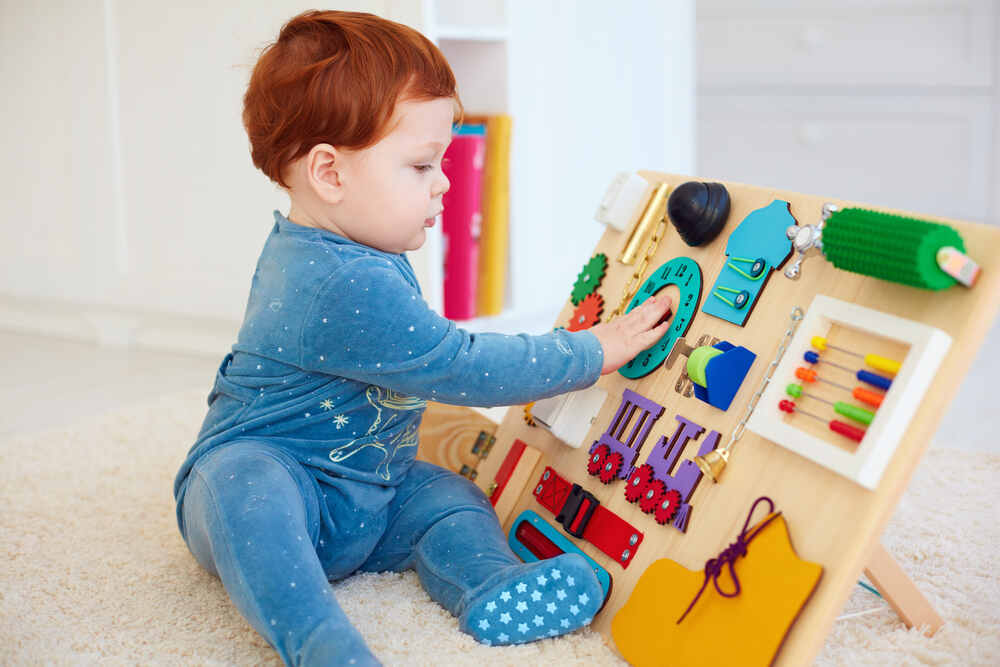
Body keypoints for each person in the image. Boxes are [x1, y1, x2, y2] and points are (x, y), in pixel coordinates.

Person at [173, 10, 673, 666]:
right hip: (277, 482)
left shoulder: (360, 247)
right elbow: (461, 366)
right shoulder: (331, 275)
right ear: (330, 174)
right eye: (420, 166)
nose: (445, 182)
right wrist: (592, 351)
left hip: (369, 493)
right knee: (251, 493)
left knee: (450, 495)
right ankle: (322, 645)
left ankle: (489, 582)